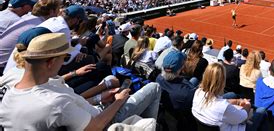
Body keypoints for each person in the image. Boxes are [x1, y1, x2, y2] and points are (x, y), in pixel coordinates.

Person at [0, 33, 162, 130]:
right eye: (64, 58)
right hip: (104, 121)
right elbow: (95, 127)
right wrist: (118, 102)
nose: (64, 62)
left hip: (91, 110)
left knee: (110, 81)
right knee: (154, 88)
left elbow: (70, 105)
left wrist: (100, 98)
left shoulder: (13, 92)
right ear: (50, 62)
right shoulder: (54, 103)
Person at [0, 0, 60, 75]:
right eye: (58, 11)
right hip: (3, 68)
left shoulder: (27, 18)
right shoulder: (39, 27)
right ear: (52, 12)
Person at [192, 62, 251, 131]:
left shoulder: (197, 92)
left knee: (231, 95)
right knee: (260, 113)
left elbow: (214, 103)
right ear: (222, 81)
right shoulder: (223, 108)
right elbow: (243, 117)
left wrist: (236, 101)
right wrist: (247, 104)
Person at [157, 50, 198, 130]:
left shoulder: (159, 78)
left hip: (169, 112)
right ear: (181, 69)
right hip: (182, 119)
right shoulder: (187, 93)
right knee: (194, 80)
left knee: (194, 80)